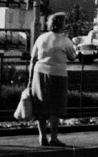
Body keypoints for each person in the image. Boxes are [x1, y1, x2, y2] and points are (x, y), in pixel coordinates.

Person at [29, 12, 77, 147]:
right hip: (58, 75)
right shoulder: (65, 40)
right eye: (65, 22)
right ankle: (53, 138)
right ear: (62, 24)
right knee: (55, 108)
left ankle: (42, 137)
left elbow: (33, 59)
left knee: (41, 107)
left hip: (39, 74)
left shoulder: (41, 38)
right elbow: (73, 56)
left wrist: (29, 79)